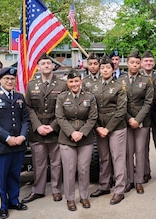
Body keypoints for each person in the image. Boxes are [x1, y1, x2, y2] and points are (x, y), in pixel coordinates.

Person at [0, 67, 30, 219]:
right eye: (6, 79)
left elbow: (25, 119)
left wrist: (22, 136)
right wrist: (8, 138)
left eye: (12, 79)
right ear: (0, 80)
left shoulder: (19, 97)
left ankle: (14, 201)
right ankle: (2, 206)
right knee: (1, 177)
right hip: (2, 145)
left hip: (19, 144)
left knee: (15, 174)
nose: (10, 81)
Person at [22, 52, 68, 203]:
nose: (46, 66)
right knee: (39, 163)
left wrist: (53, 126)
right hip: (38, 132)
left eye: (49, 63)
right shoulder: (31, 85)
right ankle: (38, 190)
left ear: (53, 66)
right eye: (43, 64)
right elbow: (28, 108)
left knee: (56, 163)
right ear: (38, 67)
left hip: (56, 130)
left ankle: (56, 190)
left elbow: (64, 108)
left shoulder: (62, 84)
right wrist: (38, 126)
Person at [55, 70, 98, 211]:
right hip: (67, 138)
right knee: (69, 169)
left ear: (81, 82)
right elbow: (60, 118)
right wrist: (72, 133)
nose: (74, 84)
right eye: (71, 81)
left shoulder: (89, 97)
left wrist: (82, 133)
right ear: (68, 83)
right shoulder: (62, 98)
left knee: (84, 169)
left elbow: (92, 118)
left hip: (85, 139)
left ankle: (84, 196)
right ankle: (70, 198)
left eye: (77, 81)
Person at [88, 56, 127, 205]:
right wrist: (98, 127)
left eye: (107, 68)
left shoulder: (119, 85)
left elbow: (121, 110)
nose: (104, 70)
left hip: (116, 127)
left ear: (113, 69)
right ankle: (104, 186)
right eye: (102, 67)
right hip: (100, 128)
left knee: (118, 158)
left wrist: (108, 128)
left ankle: (119, 190)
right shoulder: (94, 85)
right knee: (103, 158)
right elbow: (92, 108)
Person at [119, 50, 153, 194]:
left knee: (140, 151)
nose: (135, 65)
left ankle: (139, 181)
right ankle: (129, 181)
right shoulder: (121, 81)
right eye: (132, 62)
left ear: (140, 64)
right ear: (127, 63)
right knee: (128, 152)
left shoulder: (146, 80)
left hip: (142, 122)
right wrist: (129, 119)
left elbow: (148, 102)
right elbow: (119, 103)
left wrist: (138, 119)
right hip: (125, 120)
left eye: (137, 63)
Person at [140, 51, 156, 183]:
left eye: (150, 61)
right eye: (146, 61)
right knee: (143, 145)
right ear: (141, 63)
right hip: (143, 114)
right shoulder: (138, 76)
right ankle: (145, 172)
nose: (148, 63)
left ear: (154, 62)